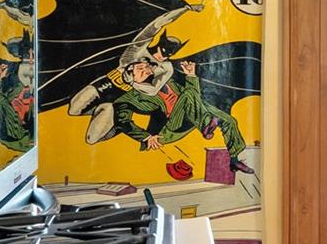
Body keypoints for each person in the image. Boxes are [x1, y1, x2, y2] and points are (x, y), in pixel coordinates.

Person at [103, 34, 254, 175]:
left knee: (229, 121)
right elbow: (123, 121)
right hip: (173, 126)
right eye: (139, 69)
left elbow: (194, 95)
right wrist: (146, 137)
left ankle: (234, 160)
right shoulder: (129, 98)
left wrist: (191, 75)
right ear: (131, 77)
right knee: (188, 97)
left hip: (193, 112)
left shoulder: (168, 81)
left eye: (145, 66)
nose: (145, 68)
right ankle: (207, 123)